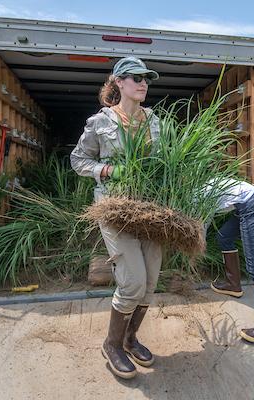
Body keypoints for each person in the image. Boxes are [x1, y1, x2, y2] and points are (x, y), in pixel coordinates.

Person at [71, 57, 161, 379]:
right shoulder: (100, 122)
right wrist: (107, 170)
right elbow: (78, 160)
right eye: (135, 78)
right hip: (114, 208)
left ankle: (130, 337)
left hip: (151, 210)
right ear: (118, 82)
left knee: (150, 282)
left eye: (146, 78)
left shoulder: (154, 121)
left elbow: (165, 164)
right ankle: (112, 345)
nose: (143, 83)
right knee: (133, 280)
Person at [210, 178, 254, 343]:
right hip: (250, 201)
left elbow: (202, 223)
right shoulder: (203, 185)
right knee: (223, 236)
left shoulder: (198, 195)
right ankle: (233, 285)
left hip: (251, 205)